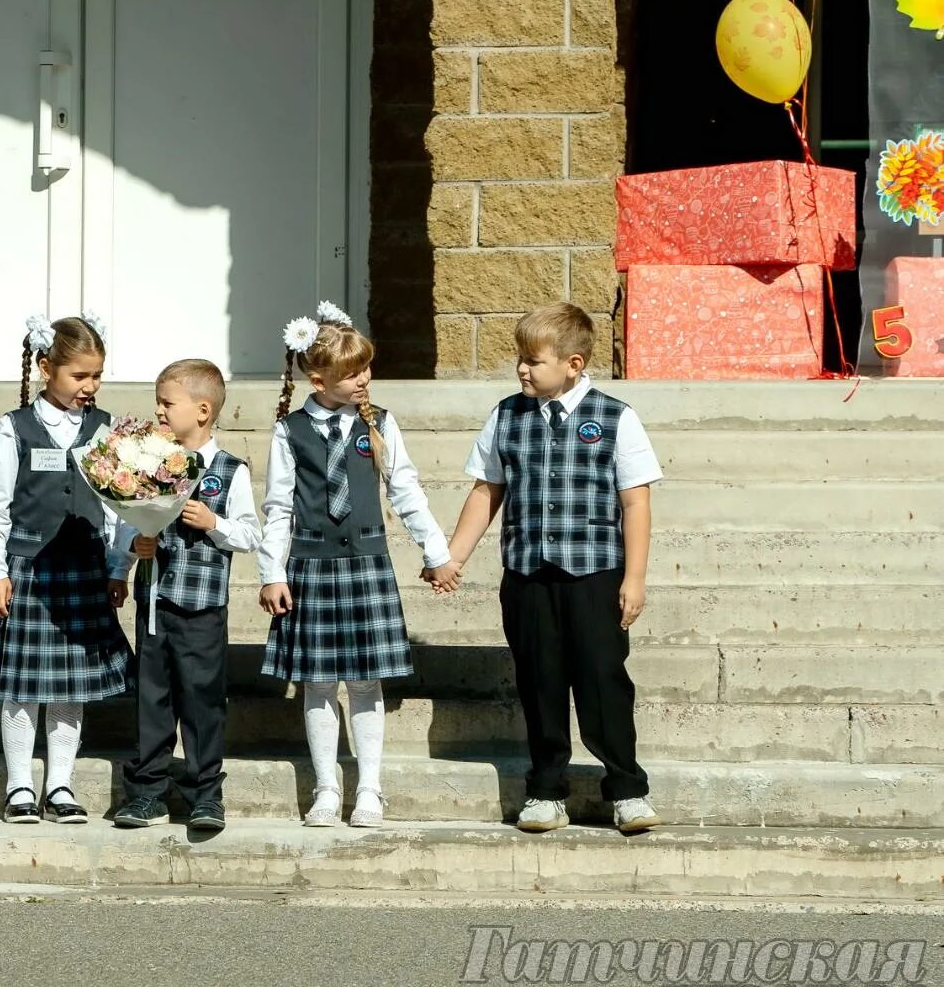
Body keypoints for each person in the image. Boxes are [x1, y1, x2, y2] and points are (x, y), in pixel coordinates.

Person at [440, 302, 664, 834]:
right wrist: (454, 556)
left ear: (574, 363)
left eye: (533, 360)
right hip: (527, 576)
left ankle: (627, 788)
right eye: (519, 357)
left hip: (595, 576)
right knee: (539, 683)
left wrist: (634, 578)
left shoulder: (615, 417)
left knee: (602, 680)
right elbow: (485, 491)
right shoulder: (506, 416)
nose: (522, 368)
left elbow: (635, 503)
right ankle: (545, 790)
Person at [258, 303, 459, 828]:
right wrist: (272, 572)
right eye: (353, 373)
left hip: (367, 562)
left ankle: (370, 787)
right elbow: (278, 508)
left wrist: (436, 552)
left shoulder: (381, 424)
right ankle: (327, 787)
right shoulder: (291, 431)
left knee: (367, 682)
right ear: (318, 378)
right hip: (311, 566)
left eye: (367, 368)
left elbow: (405, 490)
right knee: (319, 683)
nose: (365, 379)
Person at [0, 313, 133, 824]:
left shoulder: (103, 427)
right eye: (79, 376)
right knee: (22, 684)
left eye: (96, 377)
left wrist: (118, 567)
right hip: (29, 569)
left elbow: (116, 507)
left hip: (84, 569)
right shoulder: (14, 427)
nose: (89, 387)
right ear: (47, 367)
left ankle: (60, 785)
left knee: (70, 687)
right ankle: (20, 785)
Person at [113, 359, 261, 832]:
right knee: (151, 698)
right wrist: (135, 550)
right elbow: (128, 522)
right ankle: (147, 793)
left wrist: (213, 524)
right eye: (157, 401)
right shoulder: (147, 461)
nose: (158, 409)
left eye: (166, 402)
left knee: (201, 700)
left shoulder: (228, 470)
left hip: (202, 606)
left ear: (202, 410)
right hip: (154, 600)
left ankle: (204, 794)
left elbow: (250, 534)